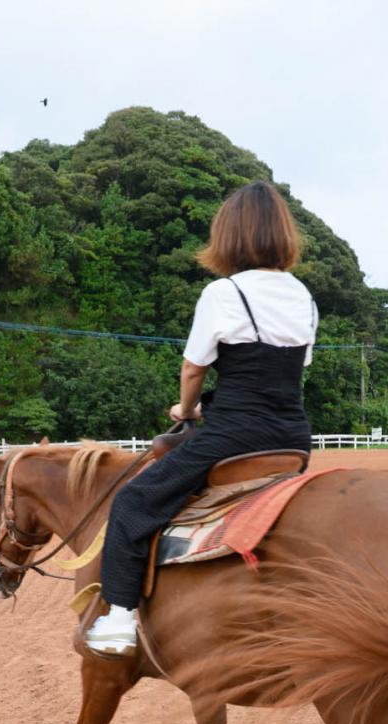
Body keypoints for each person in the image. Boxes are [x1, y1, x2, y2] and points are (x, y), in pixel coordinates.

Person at [86, 182, 317, 655]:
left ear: (229, 235)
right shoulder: (304, 297)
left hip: (234, 436)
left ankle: (119, 619)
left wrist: (187, 409)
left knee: (133, 501)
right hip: (292, 438)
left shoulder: (224, 292)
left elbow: (194, 367)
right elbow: (283, 372)